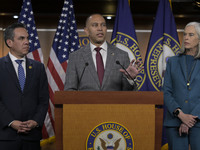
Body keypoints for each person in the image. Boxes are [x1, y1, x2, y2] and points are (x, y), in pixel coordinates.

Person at [0, 23, 49, 150]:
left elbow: (43, 100)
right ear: (9, 42)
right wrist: (11, 122)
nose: (27, 42)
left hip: (31, 137)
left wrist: (36, 121)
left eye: (27, 38)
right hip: (5, 136)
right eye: (21, 38)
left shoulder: (38, 67)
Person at [64, 14, 143, 91]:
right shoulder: (75, 57)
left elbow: (129, 93)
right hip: (85, 104)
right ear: (86, 31)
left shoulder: (122, 55)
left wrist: (129, 79)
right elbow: (69, 90)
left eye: (103, 25)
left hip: (114, 104)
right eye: (95, 25)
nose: (100, 28)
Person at [163, 22, 200, 150]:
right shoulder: (172, 62)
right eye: (185, 34)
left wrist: (189, 120)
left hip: (198, 122)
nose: (186, 38)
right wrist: (180, 115)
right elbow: (167, 92)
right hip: (175, 121)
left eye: (191, 35)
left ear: (199, 38)